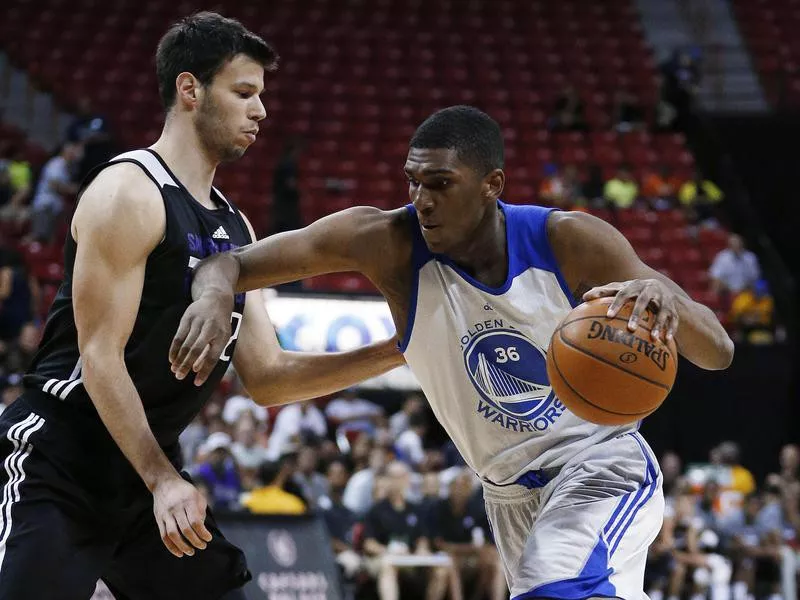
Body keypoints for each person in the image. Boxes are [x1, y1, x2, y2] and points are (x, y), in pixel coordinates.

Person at [176, 105, 734, 598]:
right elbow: (230, 263)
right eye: (413, 182)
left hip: (598, 462)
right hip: (506, 493)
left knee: (556, 583)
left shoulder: (569, 240)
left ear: (492, 183)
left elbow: (718, 352)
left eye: (440, 184)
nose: (421, 200)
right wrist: (215, 295)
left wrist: (669, 300)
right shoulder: (386, 242)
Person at [0, 12, 403, 600]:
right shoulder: (128, 191)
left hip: (144, 469)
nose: (260, 111)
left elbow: (269, 379)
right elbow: (99, 357)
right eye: (243, 93)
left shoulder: (235, 227)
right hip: (62, 458)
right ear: (190, 90)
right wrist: (163, 481)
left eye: (260, 96)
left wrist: (397, 350)